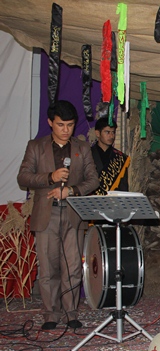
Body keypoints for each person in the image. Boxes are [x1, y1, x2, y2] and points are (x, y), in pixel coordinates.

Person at [17, 100, 99, 330]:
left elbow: (93, 180)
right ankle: (50, 314)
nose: (66, 130)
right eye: (61, 125)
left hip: (73, 214)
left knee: (72, 266)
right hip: (46, 214)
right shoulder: (36, 146)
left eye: (70, 125)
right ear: (50, 122)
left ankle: (71, 312)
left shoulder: (82, 148)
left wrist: (71, 190)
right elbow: (23, 177)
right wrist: (50, 177)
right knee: (48, 267)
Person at [90, 117, 129, 195]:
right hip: (92, 199)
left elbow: (123, 187)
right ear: (97, 133)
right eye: (107, 132)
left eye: (113, 132)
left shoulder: (120, 157)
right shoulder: (87, 154)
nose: (111, 136)